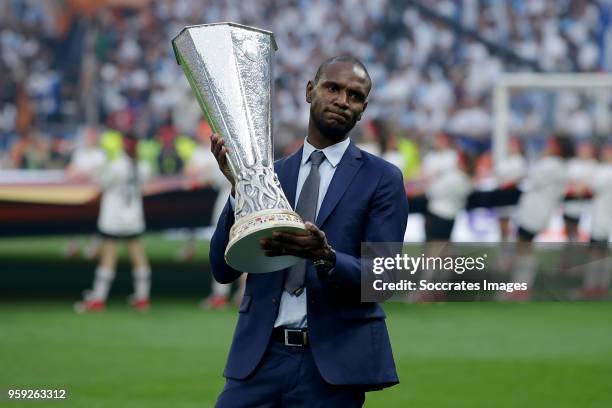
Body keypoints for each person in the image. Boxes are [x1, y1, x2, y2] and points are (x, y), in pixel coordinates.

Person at [210, 56, 409, 407]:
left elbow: (384, 278)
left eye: (355, 96)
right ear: (309, 91)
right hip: (259, 360)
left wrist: (326, 257)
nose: (343, 100)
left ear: (363, 110)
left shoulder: (382, 179)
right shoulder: (270, 176)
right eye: (333, 88)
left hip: (331, 368)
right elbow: (223, 269)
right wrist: (239, 188)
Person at [75, 133, 153, 312]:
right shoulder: (143, 166)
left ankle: (98, 299)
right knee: (138, 254)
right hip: (133, 215)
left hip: (113, 216)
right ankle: (142, 298)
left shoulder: (116, 165)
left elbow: (101, 182)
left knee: (108, 255)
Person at [64, 126, 106, 258]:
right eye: (89, 136)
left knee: (94, 220)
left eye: (92, 136)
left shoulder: (101, 154)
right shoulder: (79, 153)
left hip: (93, 194)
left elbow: (100, 172)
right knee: (73, 219)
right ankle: (73, 246)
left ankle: (93, 247)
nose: (90, 138)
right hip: (77, 193)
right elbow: (71, 169)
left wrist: (83, 174)